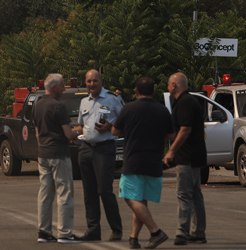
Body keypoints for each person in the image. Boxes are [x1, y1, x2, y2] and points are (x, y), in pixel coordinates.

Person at [111, 77, 175, 250]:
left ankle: (156, 231)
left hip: (134, 161)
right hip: (154, 162)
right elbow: (172, 136)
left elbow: (115, 131)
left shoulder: (128, 109)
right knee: (141, 202)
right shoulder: (162, 111)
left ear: (136, 91)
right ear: (153, 91)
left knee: (129, 197)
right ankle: (134, 238)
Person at [74, 69, 124, 241]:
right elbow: (81, 125)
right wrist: (70, 133)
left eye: (95, 81)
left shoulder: (113, 99)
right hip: (86, 148)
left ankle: (116, 230)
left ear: (101, 81)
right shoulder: (83, 102)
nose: (92, 84)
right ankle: (93, 230)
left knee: (104, 191)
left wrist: (110, 127)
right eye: (89, 81)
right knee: (89, 193)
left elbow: (125, 121)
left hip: (104, 149)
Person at [34, 73, 83, 244]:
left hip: (43, 154)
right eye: (62, 85)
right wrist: (80, 131)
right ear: (53, 87)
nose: (64, 88)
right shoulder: (58, 106)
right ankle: (65, 233)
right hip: (59, 154)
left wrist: (42, 147)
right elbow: (68, 134)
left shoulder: (38, 105)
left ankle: (44, 231)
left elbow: (37, 133)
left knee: (45, 193)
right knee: (65, 193)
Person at [163, 73, 207, 245]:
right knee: (195, 195)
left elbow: (185, 130)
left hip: (187, 157)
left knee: (184, 195)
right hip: (195, 156)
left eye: (168, 83)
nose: (167, 86)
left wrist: (171, 151)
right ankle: (198, 232)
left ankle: (182, 232)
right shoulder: (189, 101)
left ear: (173, 85)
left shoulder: (184, 103)